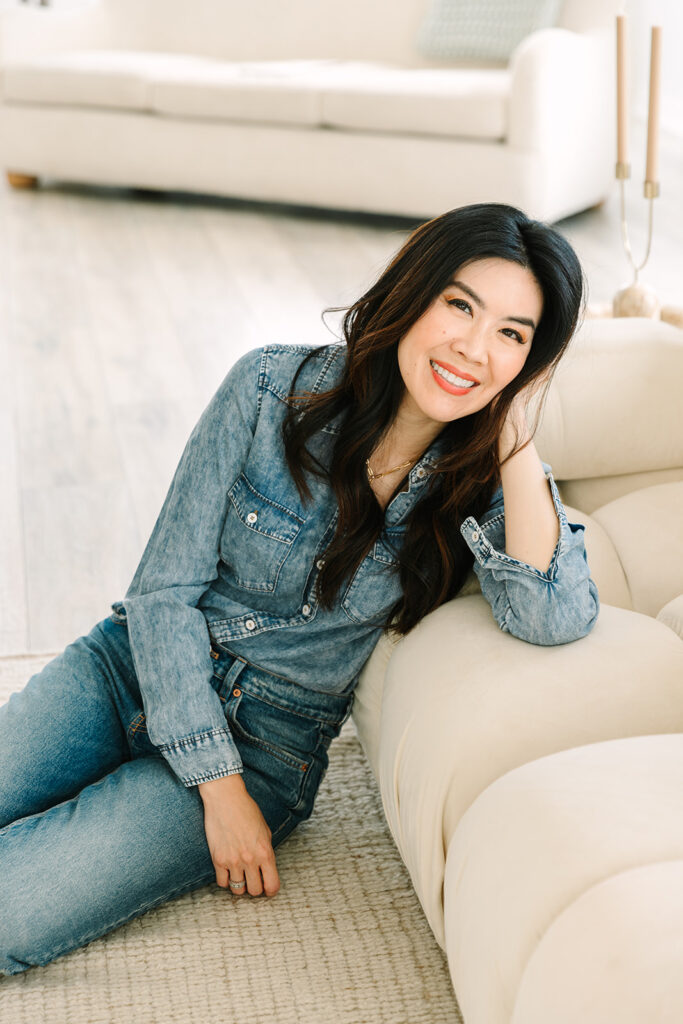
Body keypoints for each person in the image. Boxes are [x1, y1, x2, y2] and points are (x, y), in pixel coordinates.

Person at [0, 202, 599, 975]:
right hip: (128, 669)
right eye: (460, 306)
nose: (473, 348)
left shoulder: (484, 486)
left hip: (266, 746)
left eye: (512, 335)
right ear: (413, 293)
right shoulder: (266, 387)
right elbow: (162, 593)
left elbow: (551, 616)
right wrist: (215, 789)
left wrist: (515, 432)